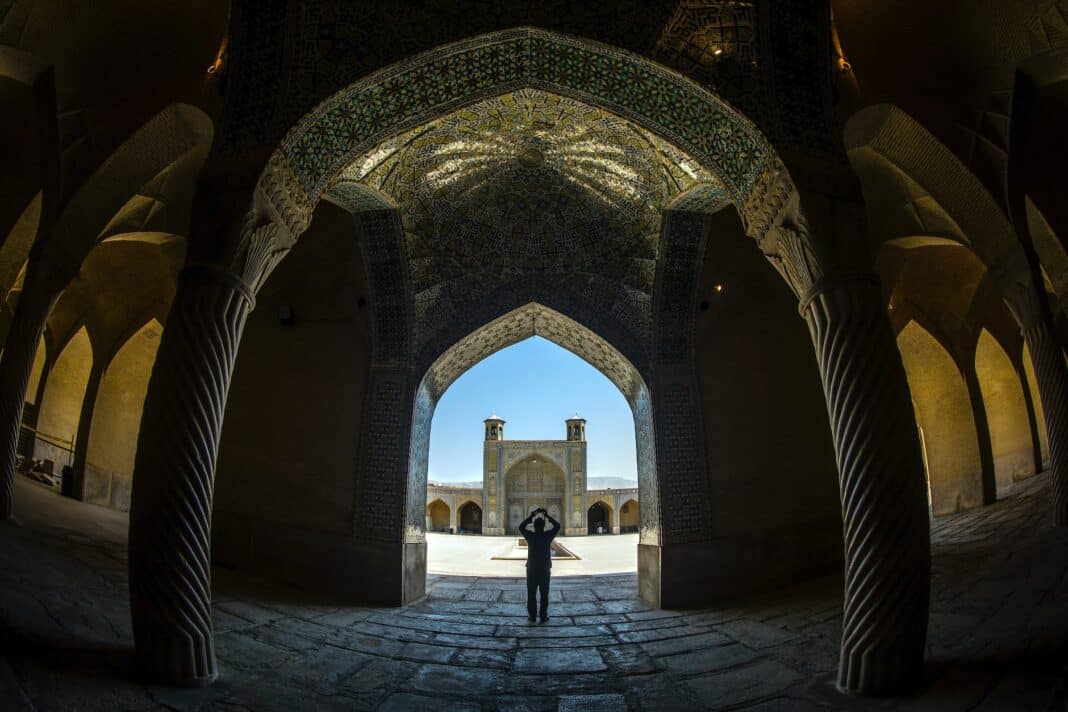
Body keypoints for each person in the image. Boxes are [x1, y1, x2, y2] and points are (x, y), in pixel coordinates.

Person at [518, 507, 560, 623]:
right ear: (544, 526)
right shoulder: (547, 536)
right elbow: (557, 526)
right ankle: (543, 616)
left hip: (531, 569)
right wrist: (547, 516)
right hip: (545, 569)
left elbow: (521, 527)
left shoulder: (530, 536)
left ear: (534, 526)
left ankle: (532, 616)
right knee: (544, 594)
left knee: (531, 594)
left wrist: (531, 516)